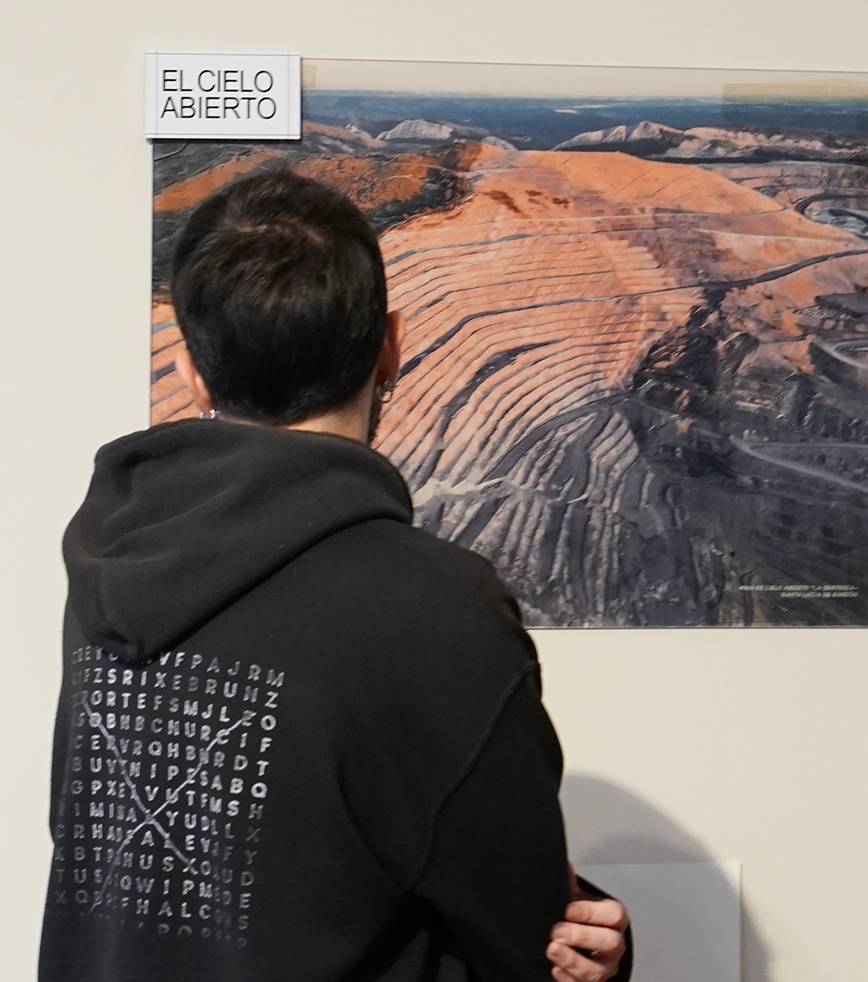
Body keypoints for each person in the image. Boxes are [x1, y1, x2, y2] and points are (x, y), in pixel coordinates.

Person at [41, 170, 631, 982]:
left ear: (190, 371)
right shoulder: (434, 607)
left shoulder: (112, 563)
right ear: (391, 344)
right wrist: (597, 954)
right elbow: (528, 939)